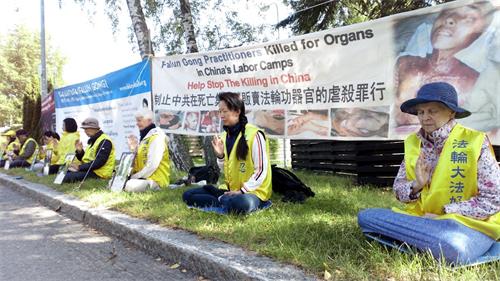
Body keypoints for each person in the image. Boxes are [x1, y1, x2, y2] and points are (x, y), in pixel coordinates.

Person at [358, 82, 500, 265]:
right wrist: (417, 184)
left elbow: (494, 198)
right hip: (423, 223)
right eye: (420, 112)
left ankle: (420, 242)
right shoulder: (413, 144)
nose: (425, 117)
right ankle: (427, 243)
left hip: (466, 227)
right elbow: (399, 191)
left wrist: (446, 213)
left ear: (452, 112)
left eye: (432, 111)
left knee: (453, 247)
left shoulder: (474, 141)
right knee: (367, 216)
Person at [394, 2, 495, 132]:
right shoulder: (404, 63)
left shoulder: (475, 81)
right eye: (445, 14)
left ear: (478, 34)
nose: (449, 20)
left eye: (469, 18)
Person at [183, 92, 272, 214]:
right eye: (220, 111)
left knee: (240, 204)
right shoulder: (224, 136)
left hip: (253, 192)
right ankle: (223, 199)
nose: (221, 115)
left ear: (237, 111)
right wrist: (220, 156)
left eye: (224, 111)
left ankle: (223, 200)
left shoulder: (254, 135)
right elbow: (227, 169)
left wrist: (242, 191)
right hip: (231, 190)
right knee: (188, 195)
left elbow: (261, 170)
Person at [124, 109, 170, 192]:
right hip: (143, 178)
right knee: (118, 182)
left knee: (128, 186)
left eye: (139, 120)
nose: (137, 124)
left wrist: (133, 177)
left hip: (156, 180)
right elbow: (136, 164)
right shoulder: (145, 138)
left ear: (149, 120)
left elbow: (152, 166)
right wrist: (133, 150)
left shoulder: (157, 137)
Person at [63, 118, 115, 183]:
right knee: (65, 172)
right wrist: (80, 151)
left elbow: (99, 162)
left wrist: (79, 167)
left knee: (66, 177)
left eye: (86, 129)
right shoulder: (93, 140)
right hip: (91, 170)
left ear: (94, 128)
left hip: (99, 173)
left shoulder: (105, 141)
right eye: (84, 129)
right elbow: (86, 159)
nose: (85, 131)